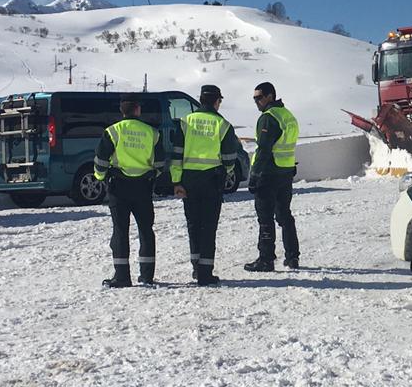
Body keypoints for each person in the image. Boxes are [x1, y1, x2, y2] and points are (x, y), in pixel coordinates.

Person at [171, 85, 242, 285]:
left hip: (189, 181)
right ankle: (205, 271)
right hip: (212, 181)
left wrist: (177, 181)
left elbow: (176, 155)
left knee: (193, 225)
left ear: (201, 100)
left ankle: (196, 266)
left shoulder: (185, 122)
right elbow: (229, 158)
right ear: (216, 101)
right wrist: (225, 171)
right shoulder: (223, 125)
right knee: (209, 226)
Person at [92, 97, 165, 288]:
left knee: (120, 232)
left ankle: (122, 277)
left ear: (122, 111)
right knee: (146, 231)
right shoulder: (152, 133)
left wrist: (101, 177)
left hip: (118, 187)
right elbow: (159, 164)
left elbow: (101, 160)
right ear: (138, 110)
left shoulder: (113, 131)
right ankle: (147, 275)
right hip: (143, 187)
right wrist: (150, 176)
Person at [244, 81, 300, 271]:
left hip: (268, 174)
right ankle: (293, 257)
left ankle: (266, 259)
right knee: (285, 215)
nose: (256, 102)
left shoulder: (268, 118)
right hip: (285, 172)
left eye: (259, 97)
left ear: (270, 96)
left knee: (265, 218)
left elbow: (263, 150)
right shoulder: (287, 115)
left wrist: (254, 175)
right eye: (254, 98)